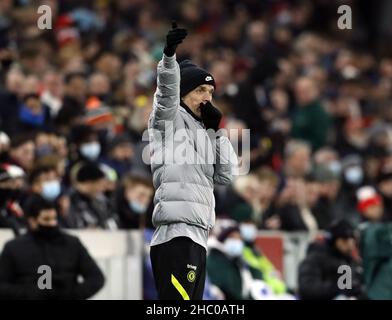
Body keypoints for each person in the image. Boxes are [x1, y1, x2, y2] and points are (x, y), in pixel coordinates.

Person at [148, 22, 237, 300]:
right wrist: (169, 57)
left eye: (210, 93)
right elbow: (165, 93)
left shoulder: (204, 130)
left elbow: (227, 174)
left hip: (198, 236)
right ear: (183, 92)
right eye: (200, 91)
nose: (207, 98)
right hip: (176, 235)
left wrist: (216, 132)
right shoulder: (169, 119)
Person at [0, 196, 105, 299]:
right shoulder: (14, 247)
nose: (52, 223)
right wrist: (30, 293)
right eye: (46, 219)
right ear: (32, 221)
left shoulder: (72, 243)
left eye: (54, 218)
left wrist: (72, 295)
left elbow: (96, 278)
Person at [297, 219, 363, 300]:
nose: (350, 244)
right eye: (344, 239)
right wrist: (337, 288)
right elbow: (307, 289)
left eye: (352, 239)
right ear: (334, 240)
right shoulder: (315, 258)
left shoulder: (350, 261)